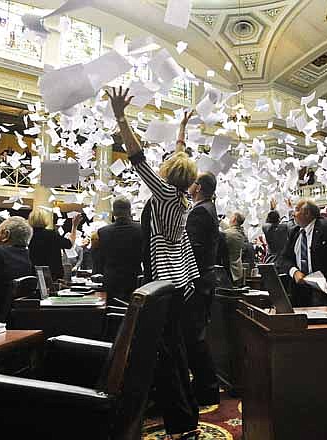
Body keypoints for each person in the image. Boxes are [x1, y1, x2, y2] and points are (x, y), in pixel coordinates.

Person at [108, 86, 201, 440]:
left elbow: (137, 156)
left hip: (165, 283)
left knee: (167, 354)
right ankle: (186, 416)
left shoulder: (163, 193)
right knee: (175, 349)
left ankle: (180, 422)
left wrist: (121, 116)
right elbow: (179, 159)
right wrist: (181, 131)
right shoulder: (180, 196)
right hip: (181, 281)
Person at [185, 171, 220, 405]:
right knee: (195, 336)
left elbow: (193, 250)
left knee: (194, 337)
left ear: (198, 187)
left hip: (197, 281)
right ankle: (205, 386)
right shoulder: (209, 208)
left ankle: (207, 388)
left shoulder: (199, 211)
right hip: (205, 279)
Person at [97, 197, 143, 302]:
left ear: (113, 212)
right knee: (132, 314)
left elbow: (100, 259)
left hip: (111, 280)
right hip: (134, 280)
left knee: (110, 312)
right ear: (130, 211)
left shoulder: (102, 232)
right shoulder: (141, 229)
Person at [27, 208, 79, 281]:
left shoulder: (27, 235)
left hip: (32, 273)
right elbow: (69, 244)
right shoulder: (52, 234)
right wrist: (74, 226)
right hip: (53, 274)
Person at [262, 199, 290, 266]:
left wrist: (272, 209)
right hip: (283, 261)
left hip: (270, 260)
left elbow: (267, 223)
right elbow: (291, 222)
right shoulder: (284, 227)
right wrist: (289, 208)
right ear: (279, 219)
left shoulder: (266, 228)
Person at [224, 212, 246, 284]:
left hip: (230, 271)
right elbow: (230, 228)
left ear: (233, 219)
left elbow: (226, 232)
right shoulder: (240, 232)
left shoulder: (229, 234)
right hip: (238, 270)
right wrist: (220, 221)